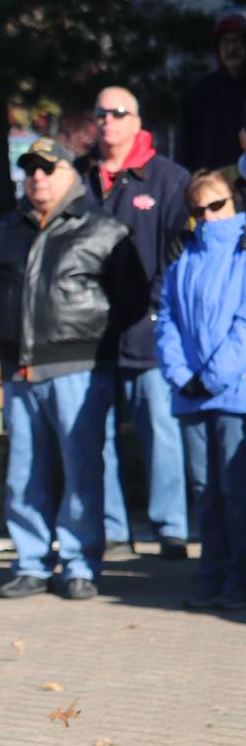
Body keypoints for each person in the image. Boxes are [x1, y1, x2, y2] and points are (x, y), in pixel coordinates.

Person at [0, 138, 147, 601]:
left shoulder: (102, 230)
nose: (37, 177)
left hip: (79, 368)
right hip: (20, 368)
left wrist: (94, 340)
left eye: (47, 168)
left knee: (81, 470)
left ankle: (79, 563)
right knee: (23, 473)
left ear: (69, 175)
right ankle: (31, 561)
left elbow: (132, 298)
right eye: (30, 169)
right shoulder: (5, 231)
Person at [77, 86, 191, 559]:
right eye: (101, 113)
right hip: (90, 334)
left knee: (159, 431)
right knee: (96, 437)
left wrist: (156, 310)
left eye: (118, 113)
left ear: (136, 120)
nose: (108, 121)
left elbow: (179, 251)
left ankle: (171, 529)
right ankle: (114, 531)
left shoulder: (166, 178)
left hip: (147, 330)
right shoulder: (80, 178)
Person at [156, 169, 246, 610]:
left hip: (234, 395)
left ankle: (238, 582)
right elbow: (167, 319)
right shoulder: (183, 260)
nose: (208, 216)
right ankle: (209, 578)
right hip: (191, 395)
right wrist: (179, 374)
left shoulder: (243, 254)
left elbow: (243, 327)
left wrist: (210, 377)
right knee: (204, 492)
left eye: (217, 206)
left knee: (235, 492)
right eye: (198, 209)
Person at [177, 10, 246, 173]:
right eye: (224, 42)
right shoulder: (196, 95)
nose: (231, 48)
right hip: (211, 189)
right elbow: (185, 153)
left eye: (237, 41)